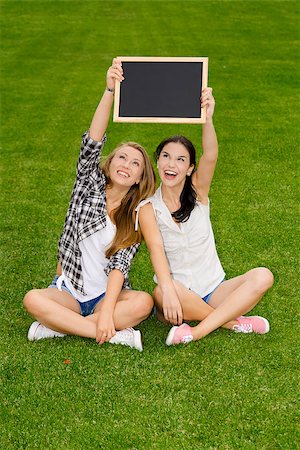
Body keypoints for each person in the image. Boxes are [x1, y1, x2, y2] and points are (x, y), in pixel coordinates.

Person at [23, 58, 156, 351]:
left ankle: (60, 326)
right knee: (33, 299)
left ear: (138, 179)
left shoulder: (137, 214)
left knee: (144, 302)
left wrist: (107, 310)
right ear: (109, 164)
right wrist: (109, 91)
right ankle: (110, 333)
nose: (126, 165)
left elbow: (121, 265)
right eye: (121, 157)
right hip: (70, 291)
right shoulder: (88, 185)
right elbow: (92, 142)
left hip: (105, 296)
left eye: (135, 164)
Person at [137, 87, 274, 346]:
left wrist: (208, 118)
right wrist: (167, 291)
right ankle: (233, 322)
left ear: (189, 169)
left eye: (180, 160)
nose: (171, 165)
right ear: (157, 161)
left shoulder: (198, 192)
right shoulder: (147, 208)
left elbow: (210, 155)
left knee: (263, 276)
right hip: (180, 294)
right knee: (159, 290)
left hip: (215, 289)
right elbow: (155, 250)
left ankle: (198, 331)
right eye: (165, 156)